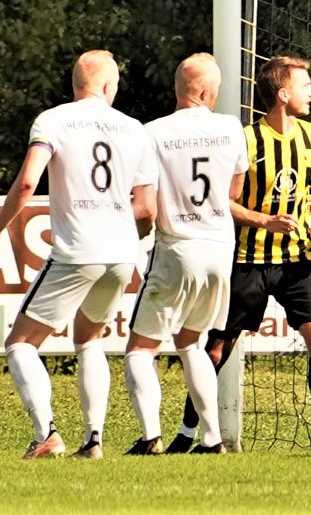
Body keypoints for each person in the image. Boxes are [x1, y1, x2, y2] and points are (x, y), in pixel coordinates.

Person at [0, 50, 158, 460]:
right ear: (109, 86)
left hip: (78, 250)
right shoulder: (134, 128)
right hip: (121, 255)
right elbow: (147, 208)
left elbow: (28, 182)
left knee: (21, 343)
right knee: (90, 339)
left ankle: (46, 434)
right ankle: (94, 440)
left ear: (75, 83)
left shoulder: (53, 120)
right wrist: (127, 236)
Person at [174, 56, 311, 453]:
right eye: (306, 86)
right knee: (216, 350)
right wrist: (263, 221)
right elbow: (223, 201)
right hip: (247, 260)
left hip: (295, 262)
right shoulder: (244, 138)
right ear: (283, 94)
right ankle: (186, 434)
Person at [122, 54, 247, 455]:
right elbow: (233, 194)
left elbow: (146, 202)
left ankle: (151, 437)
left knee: (141, 348)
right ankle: (212, 438)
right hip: (220, 248)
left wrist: (139, 237)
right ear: (208, 92)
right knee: (191, 343)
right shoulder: (231, 128)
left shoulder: (153, 132)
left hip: (178, 246)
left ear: (179, 90)